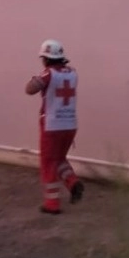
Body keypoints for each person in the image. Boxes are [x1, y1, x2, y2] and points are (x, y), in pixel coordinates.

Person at [24, 39, 84, 215]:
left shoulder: (48, 74)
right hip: (70, 125)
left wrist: (36, 79)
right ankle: (73, 182)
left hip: (52, 126)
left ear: (46, 58)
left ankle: (52, 204)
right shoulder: (73, 73)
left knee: (49, 162)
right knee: (58, 159)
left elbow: (29, 89)